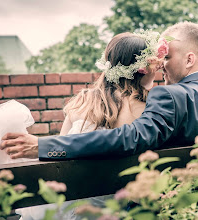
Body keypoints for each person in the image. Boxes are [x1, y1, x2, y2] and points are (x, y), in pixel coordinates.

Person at [0, 21, 198, 161]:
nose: (160, 65)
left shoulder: (168, 96)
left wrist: (45, 145)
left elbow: (126, 138)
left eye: (166, 57)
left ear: (189, 59)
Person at [15, 31, 163, 220]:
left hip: (71, 204)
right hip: (119, 208)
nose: (157, 68)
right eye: (154, 64)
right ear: (142, 68)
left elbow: (58, 159)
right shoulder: (146, 108)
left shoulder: (81, 102)